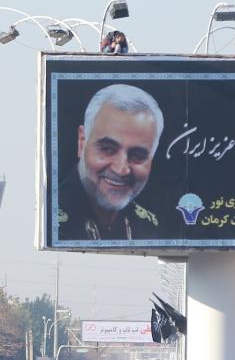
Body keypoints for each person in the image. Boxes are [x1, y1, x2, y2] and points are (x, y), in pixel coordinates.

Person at [56, 84, 164, 242]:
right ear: (82, 142)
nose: (121, 169)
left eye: (137, 155)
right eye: (107, 149)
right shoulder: (50, 221)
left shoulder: (148, 227)